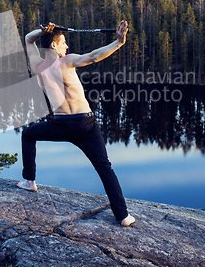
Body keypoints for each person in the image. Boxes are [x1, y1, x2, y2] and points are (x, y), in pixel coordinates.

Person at [17, 20, 135, 227]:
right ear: (54, 46)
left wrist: (44, 31)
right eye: (63, 42)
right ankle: (123, 216)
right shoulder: (66, 62)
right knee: (104, 167)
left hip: (61, 124)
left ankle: (30, 181)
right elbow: (94, 56)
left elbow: (28, 39)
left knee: (28, 134)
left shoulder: (37, 66)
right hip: (85, 124)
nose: (67, 46)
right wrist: (118, 42)